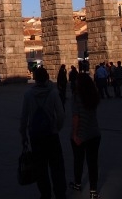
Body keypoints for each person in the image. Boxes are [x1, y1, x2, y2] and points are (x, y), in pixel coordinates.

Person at [20, 66, 66, 199]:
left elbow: (24, 117)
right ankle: (60, 194)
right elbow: (61, 115)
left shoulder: (28, 94)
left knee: (40, 168)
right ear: (47, 77)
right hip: (51, 135)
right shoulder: (53, 92)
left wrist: (23, 135)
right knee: (57, 166)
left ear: (34, 78)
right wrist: (56, 128)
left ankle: (45, 194)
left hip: (36, 137)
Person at [70, 73, 101, 199]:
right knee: (93, 163)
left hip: (81, 135)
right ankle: (93, 191)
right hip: (94, 133)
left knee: (78, 160)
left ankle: (78, 184)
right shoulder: (94, 94)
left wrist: (75, 134)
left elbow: (76, 117)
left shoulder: (76, 96)